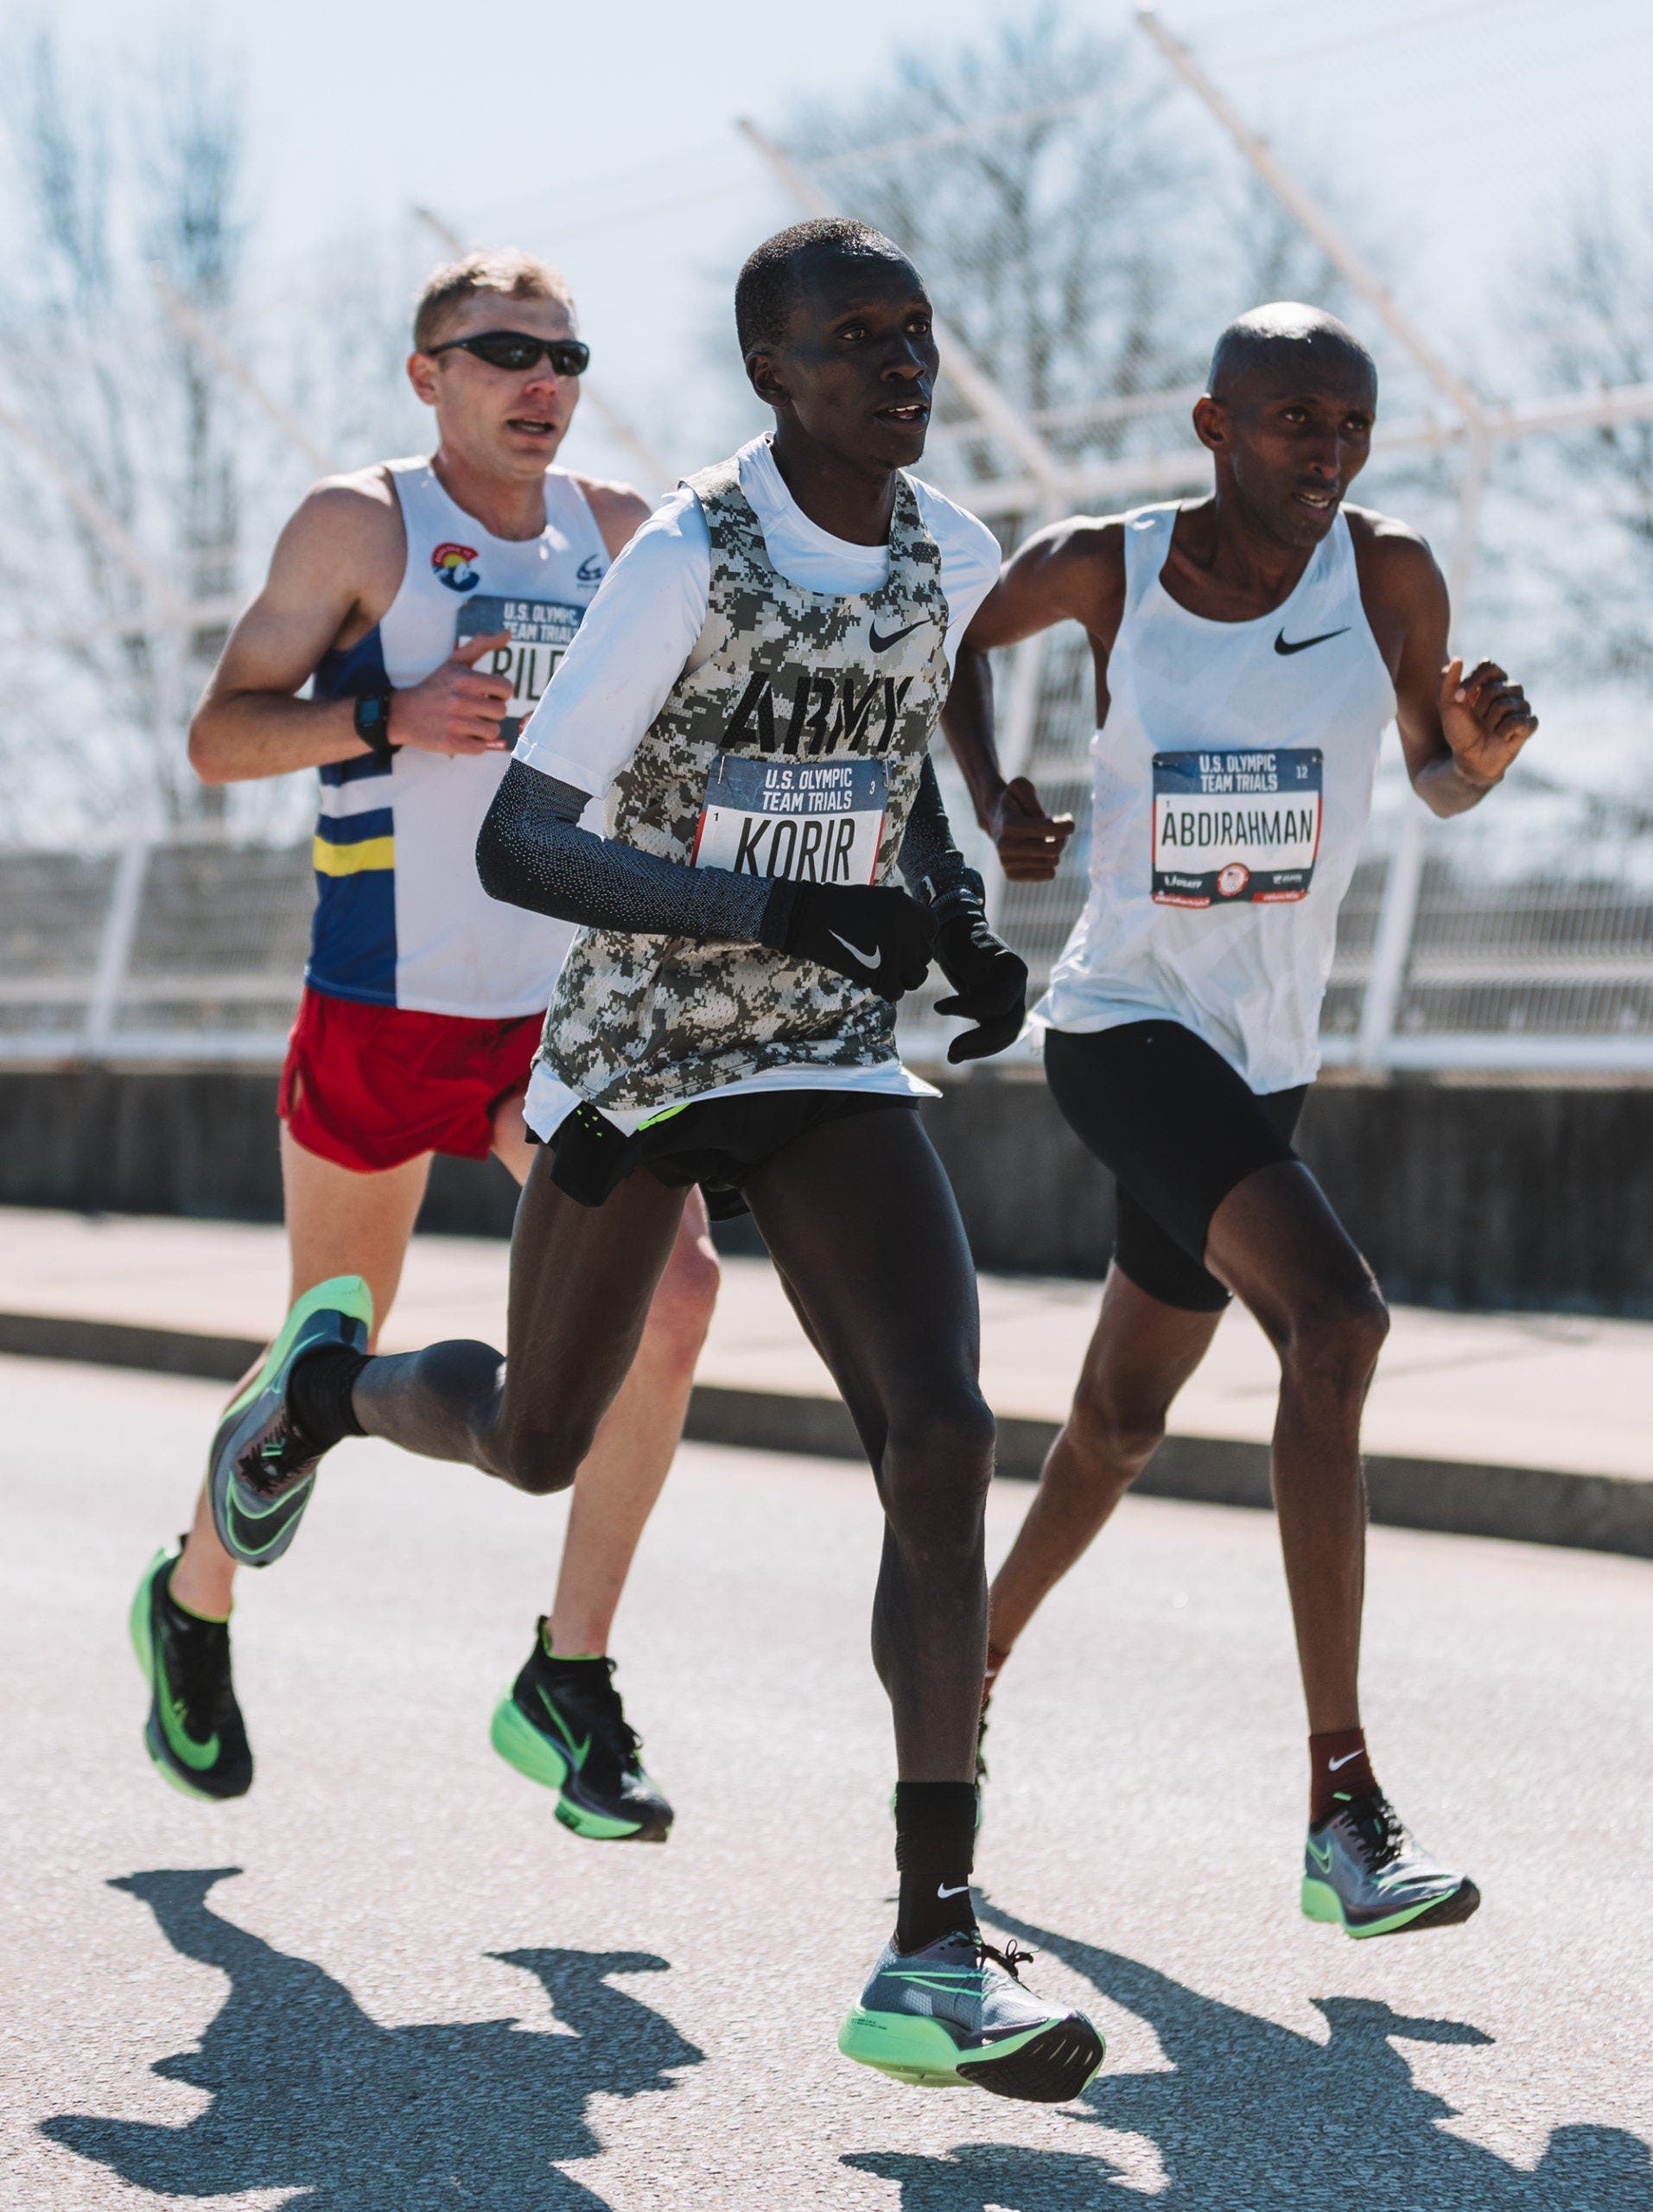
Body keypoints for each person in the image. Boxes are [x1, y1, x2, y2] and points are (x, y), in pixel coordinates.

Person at [195, 218, 1106, 2104]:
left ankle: (932, 1945)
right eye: (857, 338)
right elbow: (527, 842)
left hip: (826, 1056)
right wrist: (777, 906)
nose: (903, 363)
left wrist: (959, 924)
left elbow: (898, 792)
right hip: (645, 1061)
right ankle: (328, 1393)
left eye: (918, 331)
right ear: (775, 373)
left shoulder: (946, 551)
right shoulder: (686, 555)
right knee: (536, 1437)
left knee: (941, 1432)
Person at [943, 302, 1537, 1940]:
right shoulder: (1107, 565)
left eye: (1350, 425)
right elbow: (946, 640)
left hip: (1263, 1051)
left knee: (1118, 1422)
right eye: (1293, 421)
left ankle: (960, 1668)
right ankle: (1343, 1807)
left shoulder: (1388, 574)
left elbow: (1428, 772)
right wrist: (990, 799)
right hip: (1123, 1023)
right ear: (1213, 425)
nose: (1326, 452)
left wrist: (1473, 766)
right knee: (1335, 1324)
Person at [130, 249, 720, 1847]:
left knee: (674, 1299)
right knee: (327, 1337)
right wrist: (381, 718)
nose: (542, 382)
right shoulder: (361, 524)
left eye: (565, 356)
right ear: (428, 374)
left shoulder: (623, 531)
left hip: (559, 1019)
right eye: (504, 352)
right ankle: (193, 1600)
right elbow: (217, 737)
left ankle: (567, 1677)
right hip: (386, 1002)